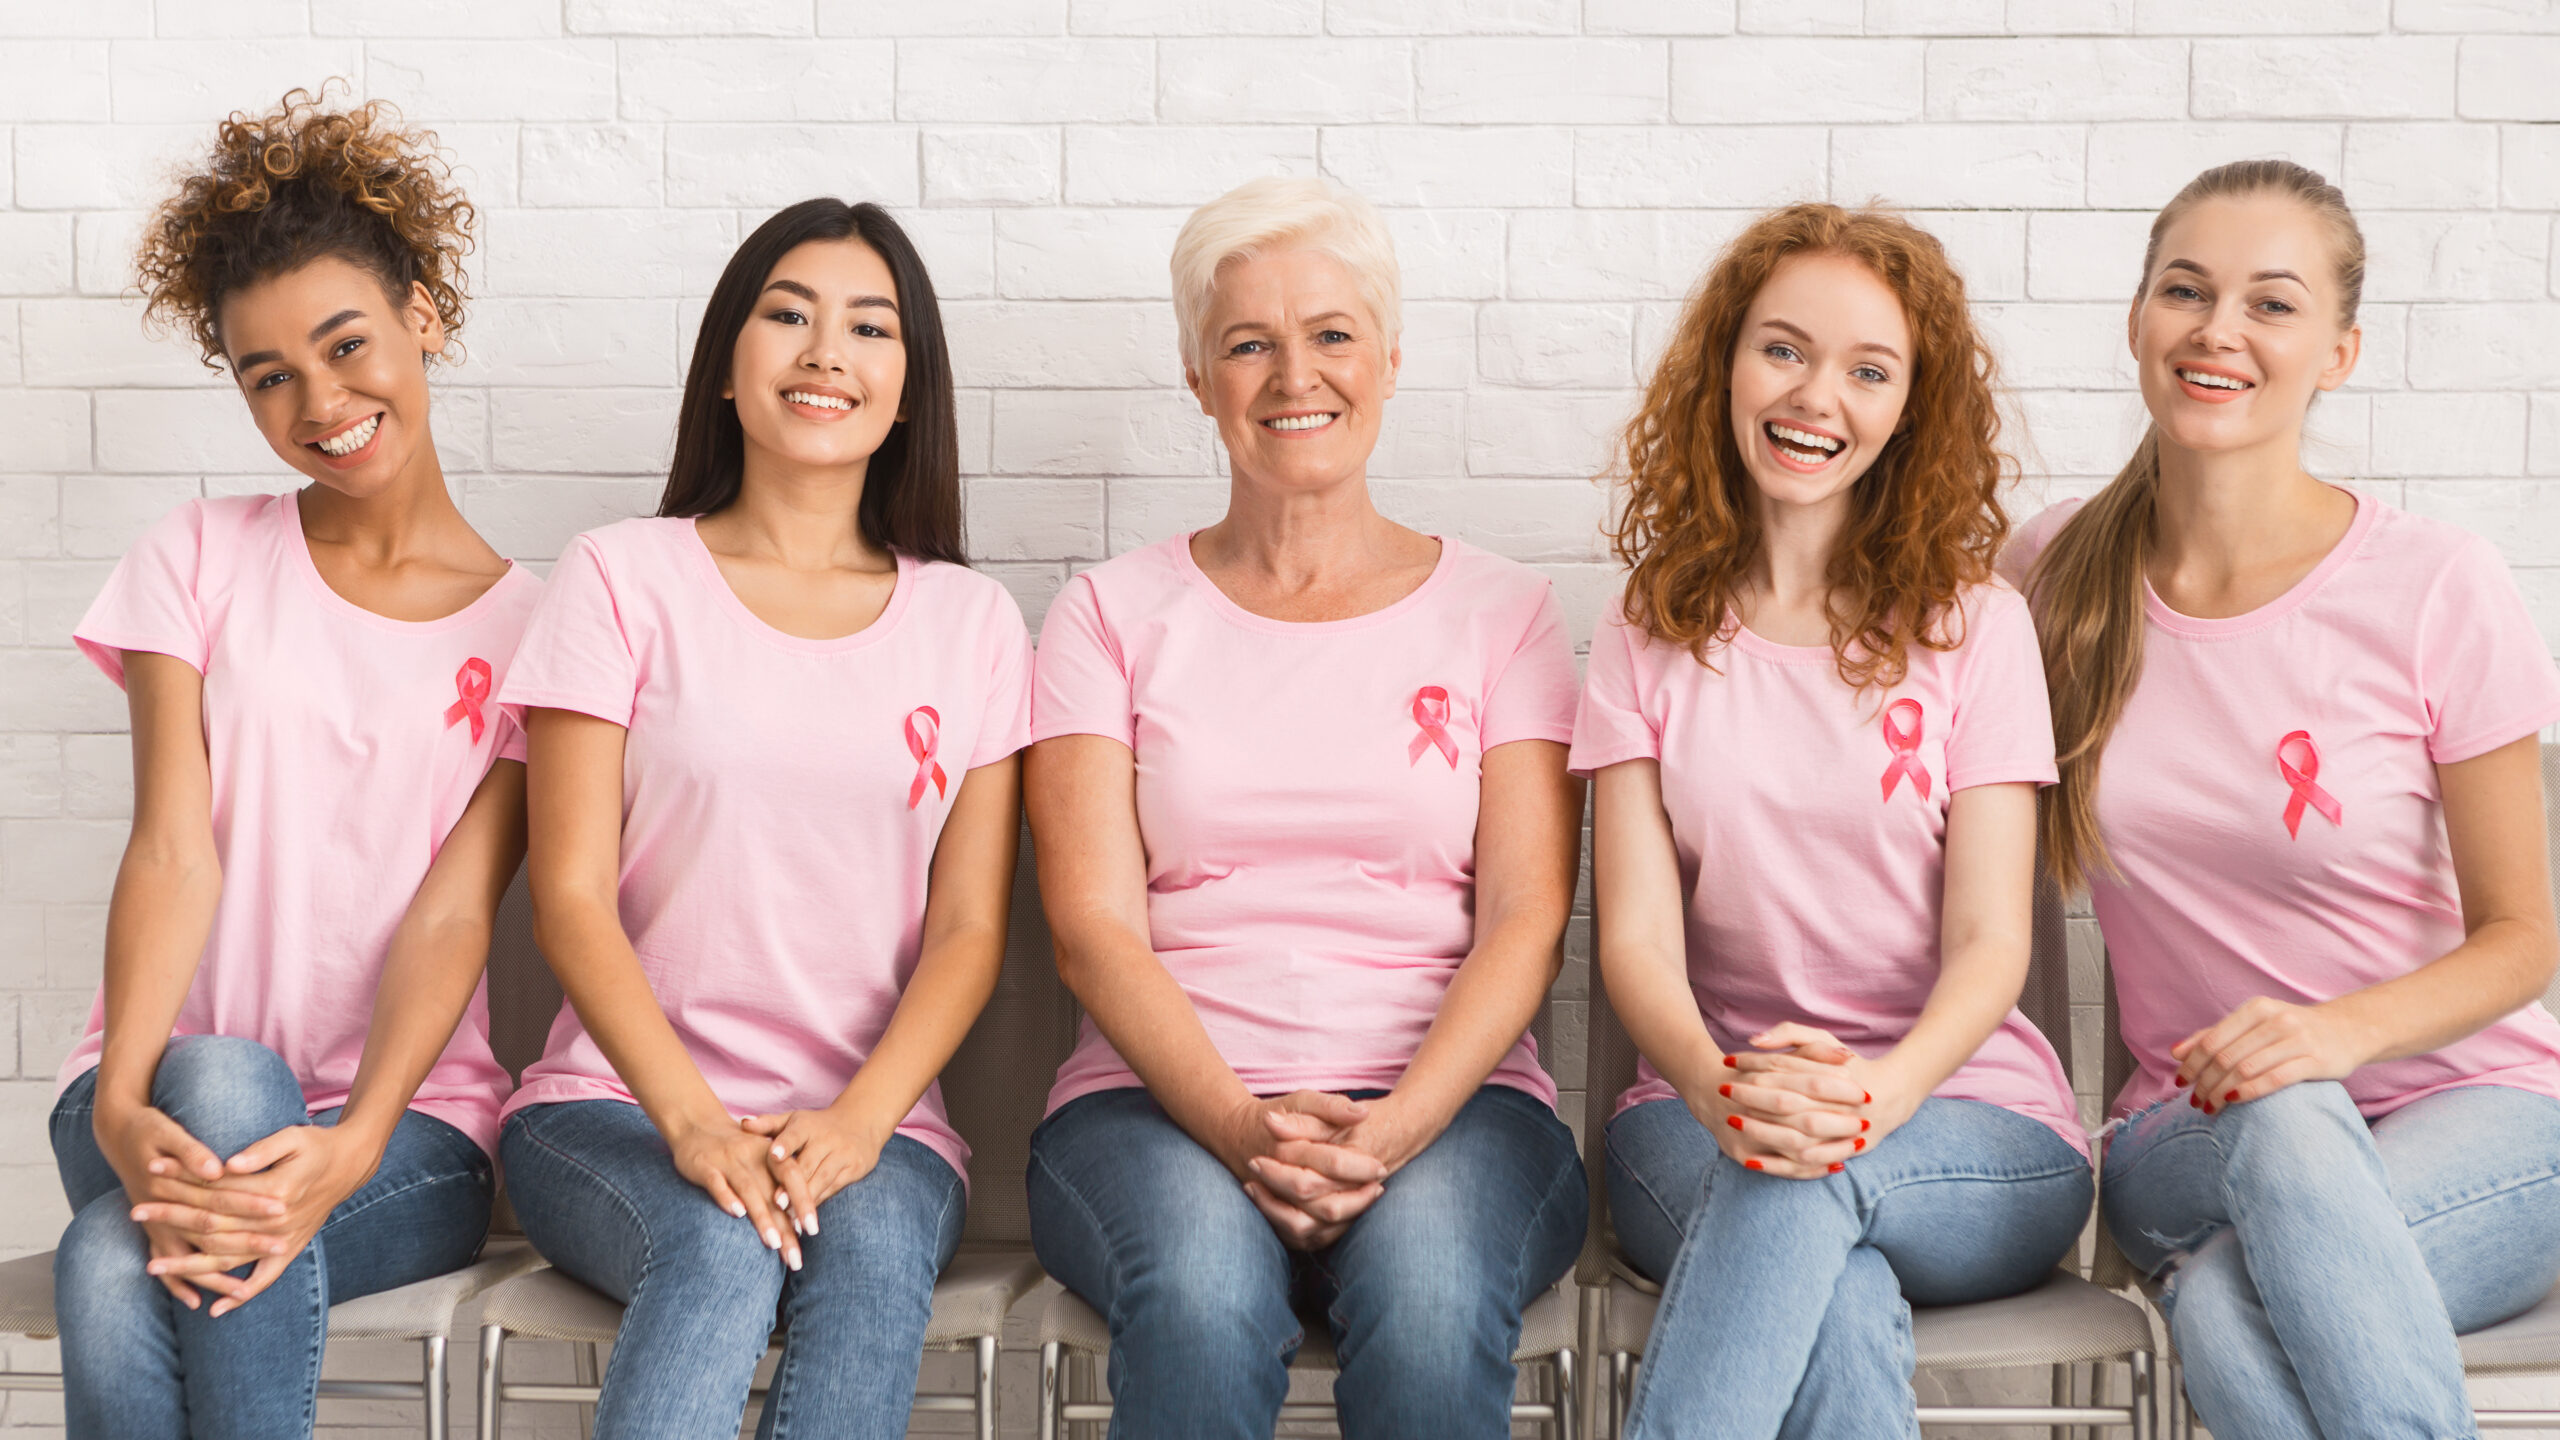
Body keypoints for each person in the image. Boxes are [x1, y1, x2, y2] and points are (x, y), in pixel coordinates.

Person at [1022, 175, 1587, 1440]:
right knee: (1205, 1301)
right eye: (1247, 343)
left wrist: (1387, 1134)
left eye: (1330, 334)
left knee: (1433, 1300)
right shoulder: (1107, 615)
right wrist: (1239, 1124)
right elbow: (1092, 929)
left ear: (1388, 359)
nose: (1295, 375)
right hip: (1150, 1106)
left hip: (1456, 1106)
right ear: (1196, 374)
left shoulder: (1506, 614)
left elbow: (1525, 919)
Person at [2007, 159, 2560, 1440]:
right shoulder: (2042, 578)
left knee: (2222, 1306)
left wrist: (2334, 1036)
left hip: (2476, 1116)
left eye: (2271, 304)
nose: (2219, 331)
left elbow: (2525, 939)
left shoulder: (2436, 585)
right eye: (2186, 291)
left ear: (2339, 352)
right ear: (2138, 320)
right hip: (2184, 1134)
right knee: (2280, 1126)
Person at [494, 198, 1028, 1440]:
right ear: (728, 368)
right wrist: (689, 1122)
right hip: (613, 1109)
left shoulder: (974, 625)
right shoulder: (622, 577)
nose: (824, 352)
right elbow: (567, 896)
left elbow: (966, 934)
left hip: (876, 1126)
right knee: (722, 1249)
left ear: (909, 388)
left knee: (876, 1261)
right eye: (786, 315)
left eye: (868, 327)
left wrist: (856, 1122)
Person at [50, 89, 530, 1439]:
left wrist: (359, 1140)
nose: (322, 402)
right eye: (269, 376)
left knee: (108, 1263)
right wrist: (128, 1103)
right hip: (143, 1092)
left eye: (347, 345)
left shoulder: (541, 633)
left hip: (409, 1140)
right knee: (219, 1080)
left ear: (422, 315)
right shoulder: (197, 559)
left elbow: (453, 909)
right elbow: (170, 847)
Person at [1580, 203, 2091, 1438]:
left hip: (1967, 1123)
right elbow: (1637, 946)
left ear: (1910, 409)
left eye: (1869, 370)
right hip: (1698, 1117)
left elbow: (1990, 945)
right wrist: (1718, 1089)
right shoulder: (1646, 626)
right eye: (1783, 349)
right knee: (1832, 1279)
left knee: (1806, 1190)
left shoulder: (1977, 630)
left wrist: (1874, 1095)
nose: (1818, 396)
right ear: (1726, 365)